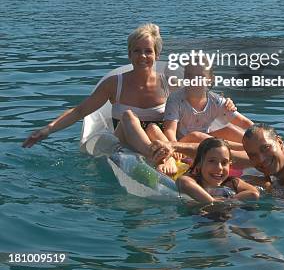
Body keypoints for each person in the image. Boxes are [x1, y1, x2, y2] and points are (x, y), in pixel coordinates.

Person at [22, 24, 177, 172]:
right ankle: (154, 157)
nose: (142, 56)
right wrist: (48, 130)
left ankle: (165, 156)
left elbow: (188, 112)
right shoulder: (115, 84)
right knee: (128, 116)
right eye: (137, 51)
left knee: (154, 129)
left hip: (159, 141)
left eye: (148, 51)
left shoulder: (169, 83)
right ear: (129, 54)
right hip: (125, 144)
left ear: (157, 55)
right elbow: (79, 111)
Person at [163, 59, 253, 147]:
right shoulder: (175, 99)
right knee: (196, 136)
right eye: (189, 75)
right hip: (184, 145)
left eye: (200, 76)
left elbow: (245, 123)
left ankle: (254, 147)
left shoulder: (217, 101)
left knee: (230, 130)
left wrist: (263, 134)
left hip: (208, 145)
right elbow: (169, 130)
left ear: (210, 79)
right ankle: (240, 149)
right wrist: (175, 146)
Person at [176, 138, 259, 203]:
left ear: (230, 165)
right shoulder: (195, 181)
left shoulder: (231, 182)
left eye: (224, 162)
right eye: (212, 161)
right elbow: (183, 181)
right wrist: (212, 201)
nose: (219, 168)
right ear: (199, 164)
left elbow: (254, 193)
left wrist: (228, 201)